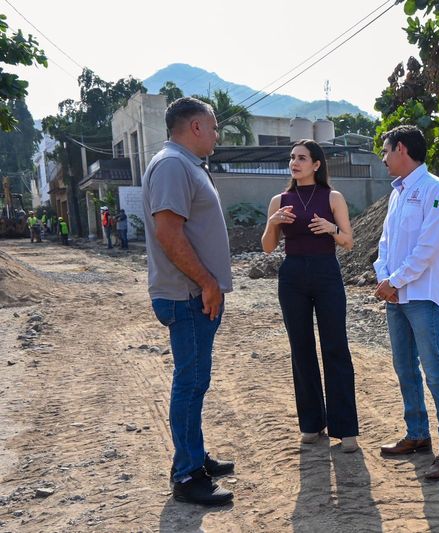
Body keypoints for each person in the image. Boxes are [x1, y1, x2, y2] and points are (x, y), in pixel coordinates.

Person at [141, 96, 234, 506]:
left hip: (194, 292)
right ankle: (187, 475)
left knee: (195, 382)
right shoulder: (173, 165)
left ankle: (195, 457)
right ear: (195, 127)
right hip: (188, 295)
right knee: (190, 383)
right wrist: (206, 283)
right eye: (213, 126)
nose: (216, 134)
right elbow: (169, 233)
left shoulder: (184, 165)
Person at [374, 125, 439, 480]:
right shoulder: (397, 194)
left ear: (402, 149)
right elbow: (384, 243)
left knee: (435, 372)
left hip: (421, 296)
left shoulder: (436, 191)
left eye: (386, 150)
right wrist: (385, 279)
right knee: (404, 368)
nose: (383, 159)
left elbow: (427, 248)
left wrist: (394, 281)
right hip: (395, 296)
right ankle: (417, 435)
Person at [261, 139, 359, 453]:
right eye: (292, 157)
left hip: (326, 272)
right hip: (291, 276)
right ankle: (311, 424)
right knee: (300, 348)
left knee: (335, 347)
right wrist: (271, 224)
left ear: (316, 164)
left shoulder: (333, 197)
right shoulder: (279, 199)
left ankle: (345, 429)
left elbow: (348, 242)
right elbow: (267, 247)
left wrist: (331, 228)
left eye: (302, 158)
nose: (295, 162)